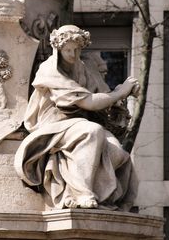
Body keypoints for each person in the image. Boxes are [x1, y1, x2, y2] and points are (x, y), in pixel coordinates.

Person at [14, 25, 139, 210]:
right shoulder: (49, 70)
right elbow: (89, 102)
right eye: (68, 50)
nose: (72, 54)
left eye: (76, 49)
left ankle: (107, 198)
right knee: (92, 131)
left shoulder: (83, 67)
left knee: (118, 153)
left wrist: (124, 93)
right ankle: (82, 193)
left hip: (78, 124)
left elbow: (103, 95)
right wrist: (119, 93)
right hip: (53, 125)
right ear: (58, 49)